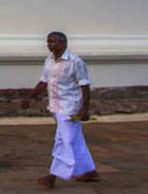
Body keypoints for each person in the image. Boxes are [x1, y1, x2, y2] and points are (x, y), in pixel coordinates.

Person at [21, 31, 99, 188]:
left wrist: (84, 110)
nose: (50, 45)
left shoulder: (75, 62)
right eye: (48, 42)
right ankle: (90, 171)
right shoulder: (49, 61)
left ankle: (53, 176)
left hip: (70, 108)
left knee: (63, 141)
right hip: (56, 107)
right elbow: (44, 82)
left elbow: (85, 86)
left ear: (63, 43)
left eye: (53, 42)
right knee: (75, 140)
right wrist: (29, 97)